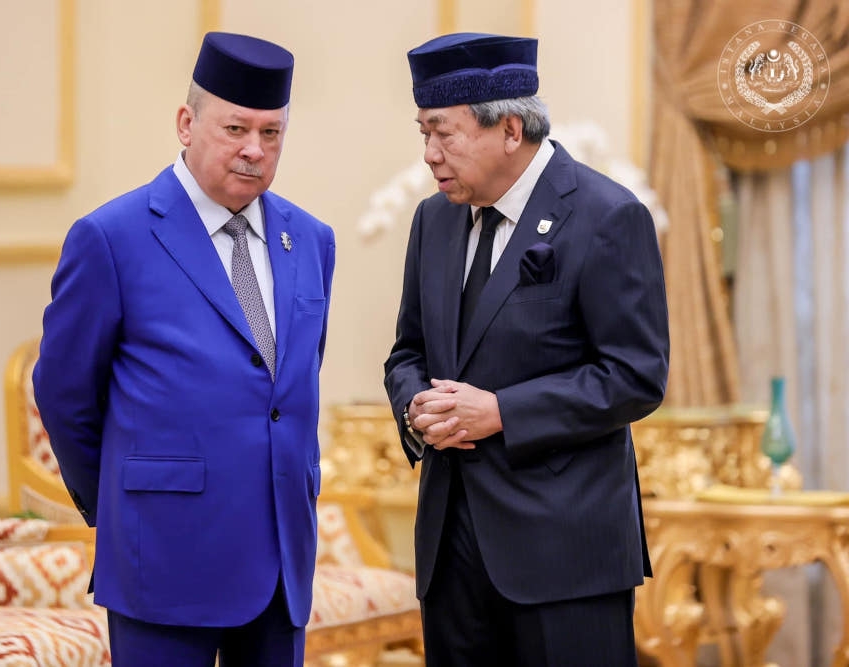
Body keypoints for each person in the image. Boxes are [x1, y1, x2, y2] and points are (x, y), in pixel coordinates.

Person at [34, 31, 335, 666]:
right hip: (162, 560)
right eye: (235, 129)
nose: (254, 149)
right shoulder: (111, 238)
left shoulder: (311, 240)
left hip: (282, 564)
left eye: (271, 133)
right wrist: (125, 503)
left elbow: (288, 388)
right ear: (186, 123)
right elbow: (65, 396)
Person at [383, 32, 670, 665]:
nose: (429, 154)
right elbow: (407, 353)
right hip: (450, 551)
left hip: (565, 558)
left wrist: (502, 412)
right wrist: (416, 408)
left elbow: (636, 375)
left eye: (443, 133)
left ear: (510, 129)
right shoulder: (434, 220)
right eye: (422, 132)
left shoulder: (607, 216)